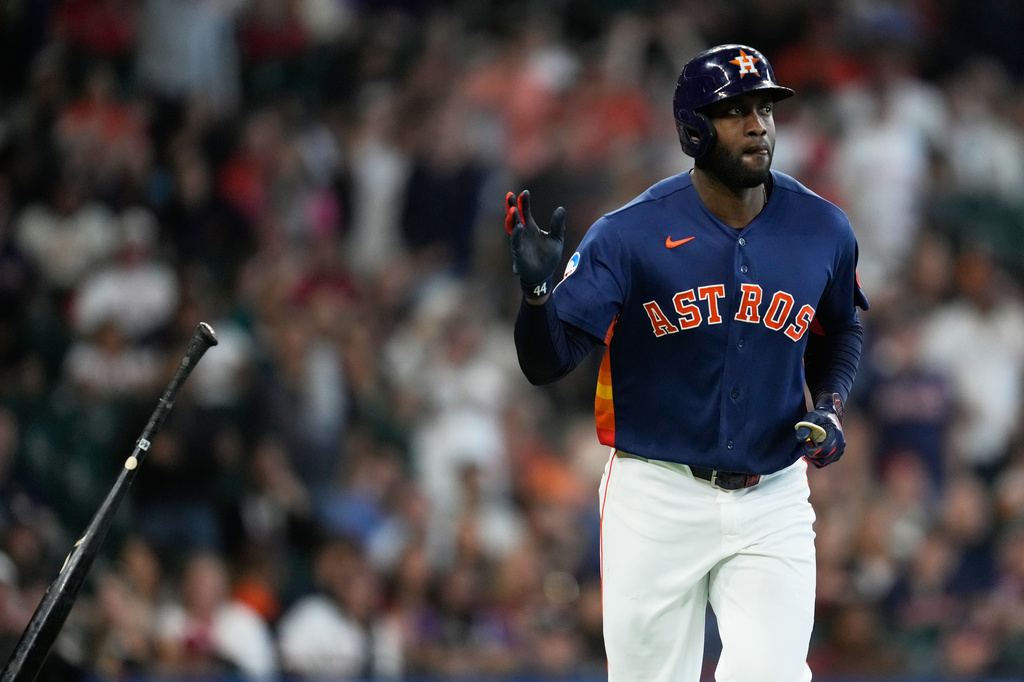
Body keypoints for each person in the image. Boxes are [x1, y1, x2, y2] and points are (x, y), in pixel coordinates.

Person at [504, 44, 869, 681]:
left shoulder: (823, 228)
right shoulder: (629, 233)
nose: (758, 124)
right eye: (735, 111)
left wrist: (832, 405)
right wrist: (538, 296)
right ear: (693, 130)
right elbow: (547, 362)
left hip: (772, 497)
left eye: (765, 108)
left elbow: (841, 329)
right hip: (656, 495)